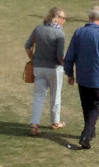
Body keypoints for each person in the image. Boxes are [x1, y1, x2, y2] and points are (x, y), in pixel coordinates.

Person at [63, 5, 99, 150]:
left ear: (90, 17)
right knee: (95, 106)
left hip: (82, 78)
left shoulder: (79, 33)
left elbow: (70, 56)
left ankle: (90, 131)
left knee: (86, 105)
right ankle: (86, 135)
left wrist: (69, 73)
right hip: (98, 79)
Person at [26, 7, 67, 137]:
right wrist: (65, 66)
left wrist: (33, 59)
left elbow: (27, 46)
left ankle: (34, 125)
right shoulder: (59, 34)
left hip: (38, 68)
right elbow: (60, 56)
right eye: (63, 18)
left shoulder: (38, 29)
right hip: (53, 69)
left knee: (38, 96)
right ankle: (55, 122)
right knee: (55, 94)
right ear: (57, 18)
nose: (64, 20)